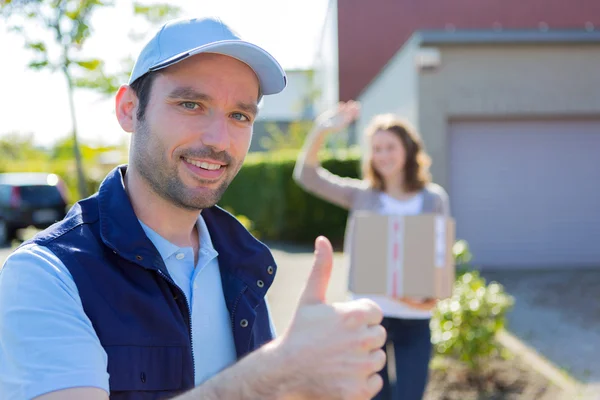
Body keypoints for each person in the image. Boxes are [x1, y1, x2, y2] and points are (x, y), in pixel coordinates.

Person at [0, 18, 387, 400]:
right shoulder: (46, 274)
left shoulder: (243, 261)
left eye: (240, 115)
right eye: (190, 104)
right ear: (129, 110)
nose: (219, 140)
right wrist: (272, 376)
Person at [293, 101, 451, 400]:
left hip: (415, 318)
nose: (382, 155)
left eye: (389, 147)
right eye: (376, 149)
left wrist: (429, 296)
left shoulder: (433, 199)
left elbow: (441, 257)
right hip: (368, 318)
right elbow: (307, 176)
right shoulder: (362, 195)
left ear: (407, 149)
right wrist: (321, 130)